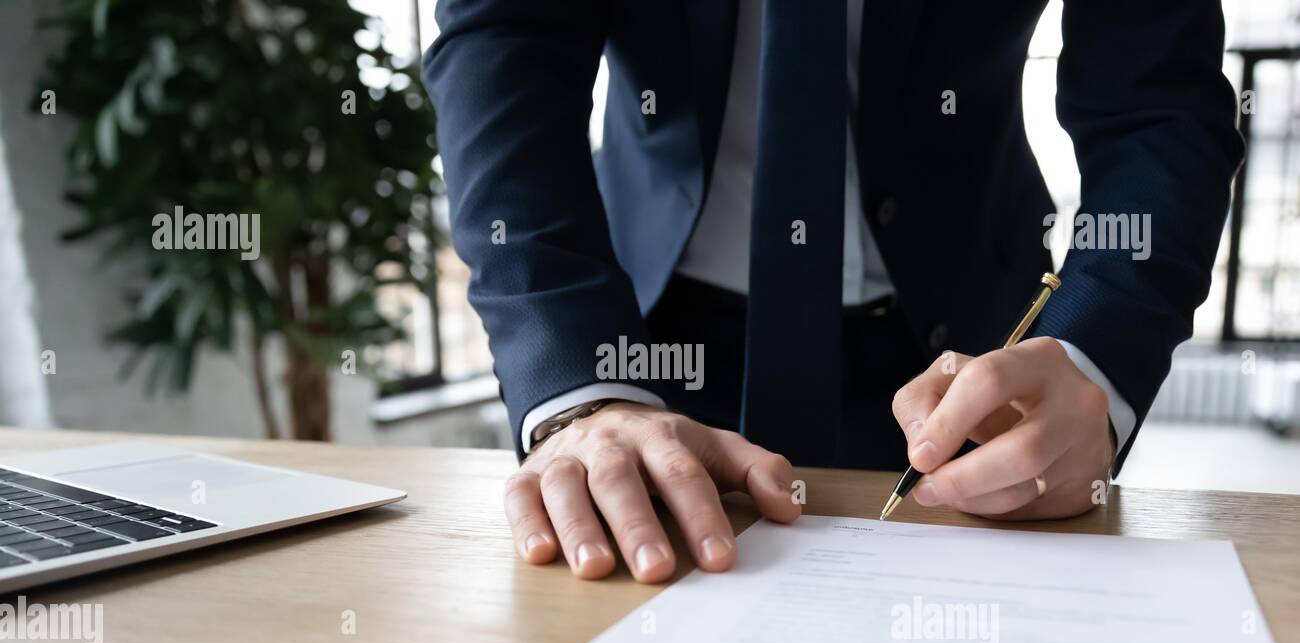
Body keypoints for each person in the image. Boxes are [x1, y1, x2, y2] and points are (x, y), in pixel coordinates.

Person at [423, 1, 1243, 583]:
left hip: (976, 363)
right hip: (639, 342)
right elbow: (506, 45)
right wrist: (579, 388)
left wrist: (1094, 355)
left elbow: (1158, 102)